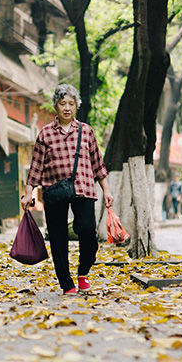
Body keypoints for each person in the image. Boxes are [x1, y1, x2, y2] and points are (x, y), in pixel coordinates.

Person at [21, 84, 114, 295]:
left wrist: (106, 190)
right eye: (63, 103)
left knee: (88, 231)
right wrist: (29, 193)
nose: (67, 108)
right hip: (54, 190)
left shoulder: (86, 131)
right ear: (56, 105)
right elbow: (35, 167)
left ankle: (83, 272)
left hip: (83, 188)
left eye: (71, 103)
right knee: (58, 237)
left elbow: (97, 164)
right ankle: (67, 284)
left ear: (76, 106)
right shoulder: (45, 134)